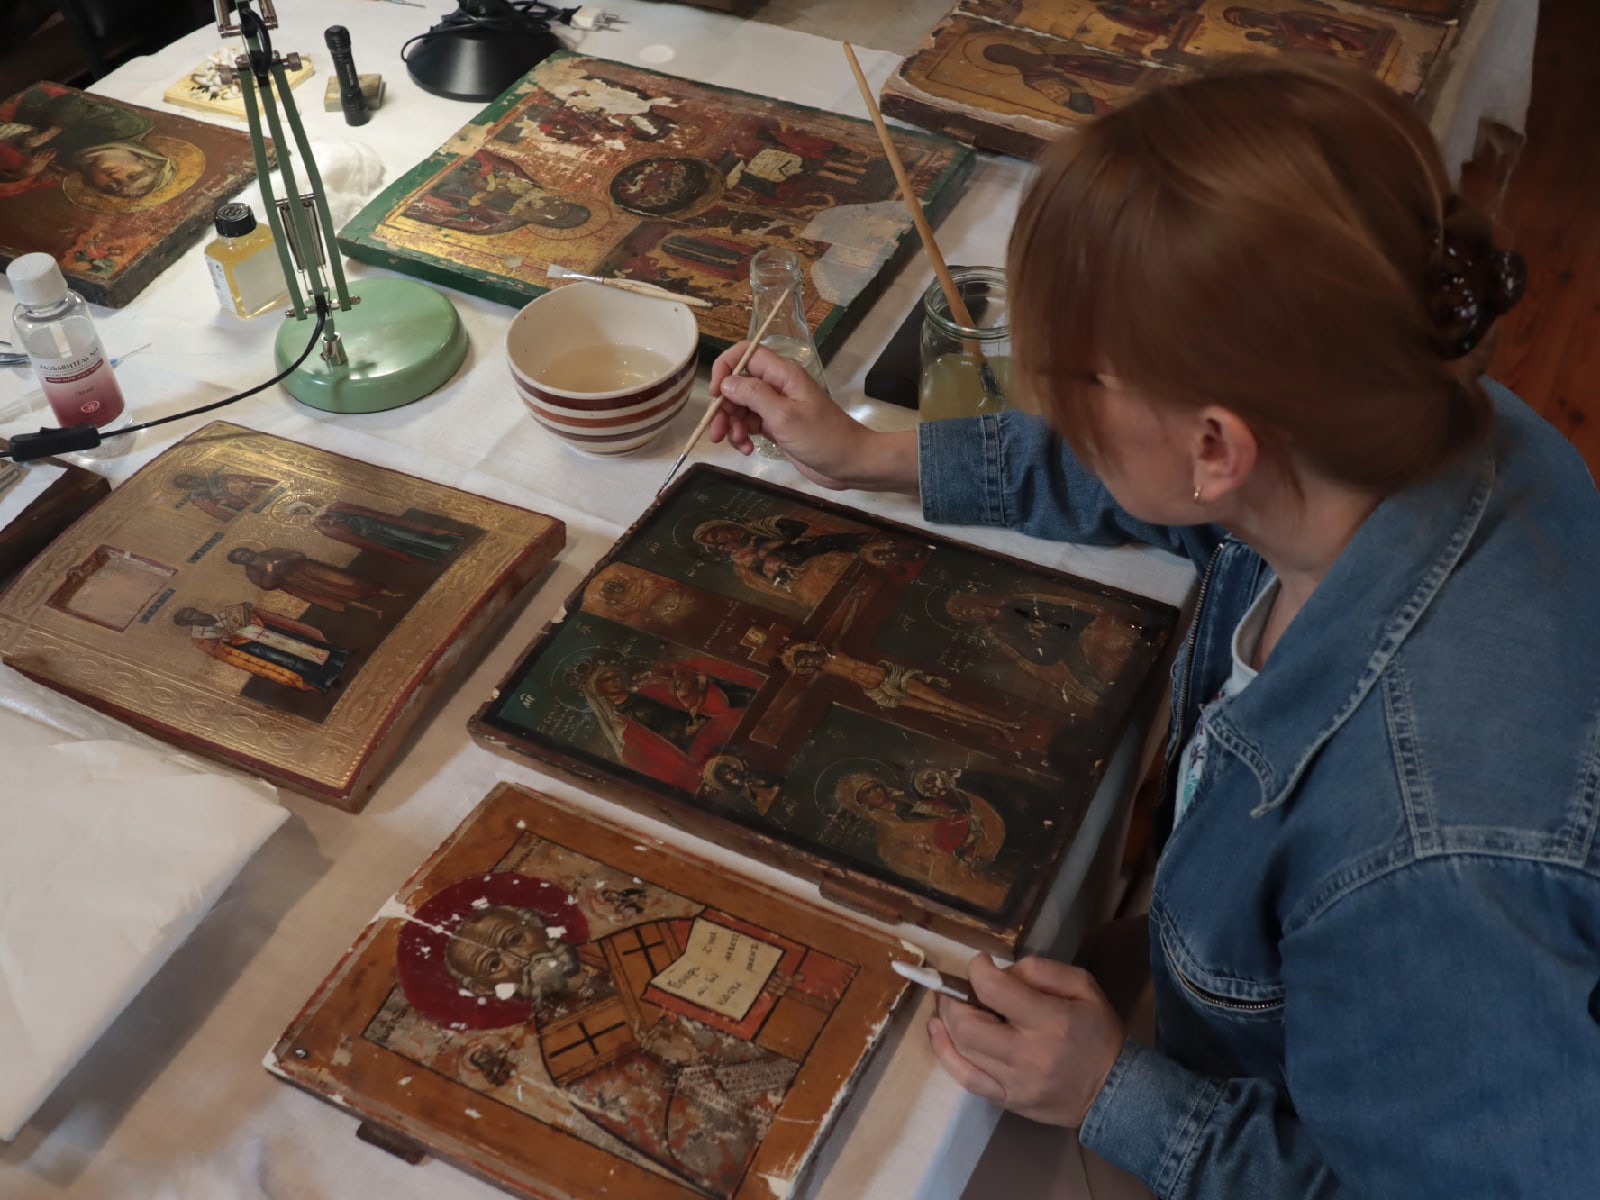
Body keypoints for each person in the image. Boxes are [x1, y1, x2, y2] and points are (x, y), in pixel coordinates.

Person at [703, 53, 1599, 1198]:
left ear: (1215, 445)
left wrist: (1112, 1093)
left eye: (1075, 383)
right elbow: (1151, 474)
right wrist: (869, 456)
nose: (1056, 408)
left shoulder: (1426, 856)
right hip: (1248, 995)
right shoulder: (1414, 429)